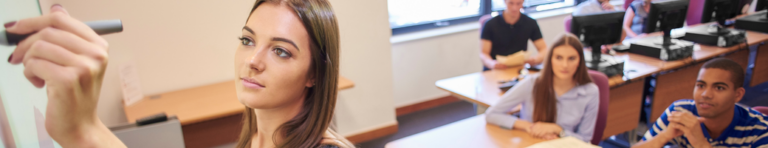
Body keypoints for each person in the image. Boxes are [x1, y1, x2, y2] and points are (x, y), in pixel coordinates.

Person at [3, 0, 354, 147]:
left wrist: (83, 131)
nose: (253, 60)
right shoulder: (259, 135)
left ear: (314, 75)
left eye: (280, 51)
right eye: (247, 41)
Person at [485, 33, 599, 142]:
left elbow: (585, 140)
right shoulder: (532, 83)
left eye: (571, 58)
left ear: (580, 61)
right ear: (550, 60)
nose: (565, 65)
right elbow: (491, 114)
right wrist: (528, 126)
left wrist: (558, 130)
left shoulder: (590, 92)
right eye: (559, 58)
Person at [632, 58, 768, 148]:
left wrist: (700, 143)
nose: (705, 94)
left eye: (719, 88)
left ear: (737, 95)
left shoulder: (760, 130)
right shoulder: (680, 110)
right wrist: (665, 135)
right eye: (701, 85)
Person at [480, 0, 548, 71]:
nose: (514, 8)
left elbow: (544, 49)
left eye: (519, 4)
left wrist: (535, 59)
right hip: (495, 70)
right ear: (505, 2)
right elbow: (484, 53)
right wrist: (492, 63)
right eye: (511, 3)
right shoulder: (490, 24)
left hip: (518, 69)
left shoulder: (530, 23)